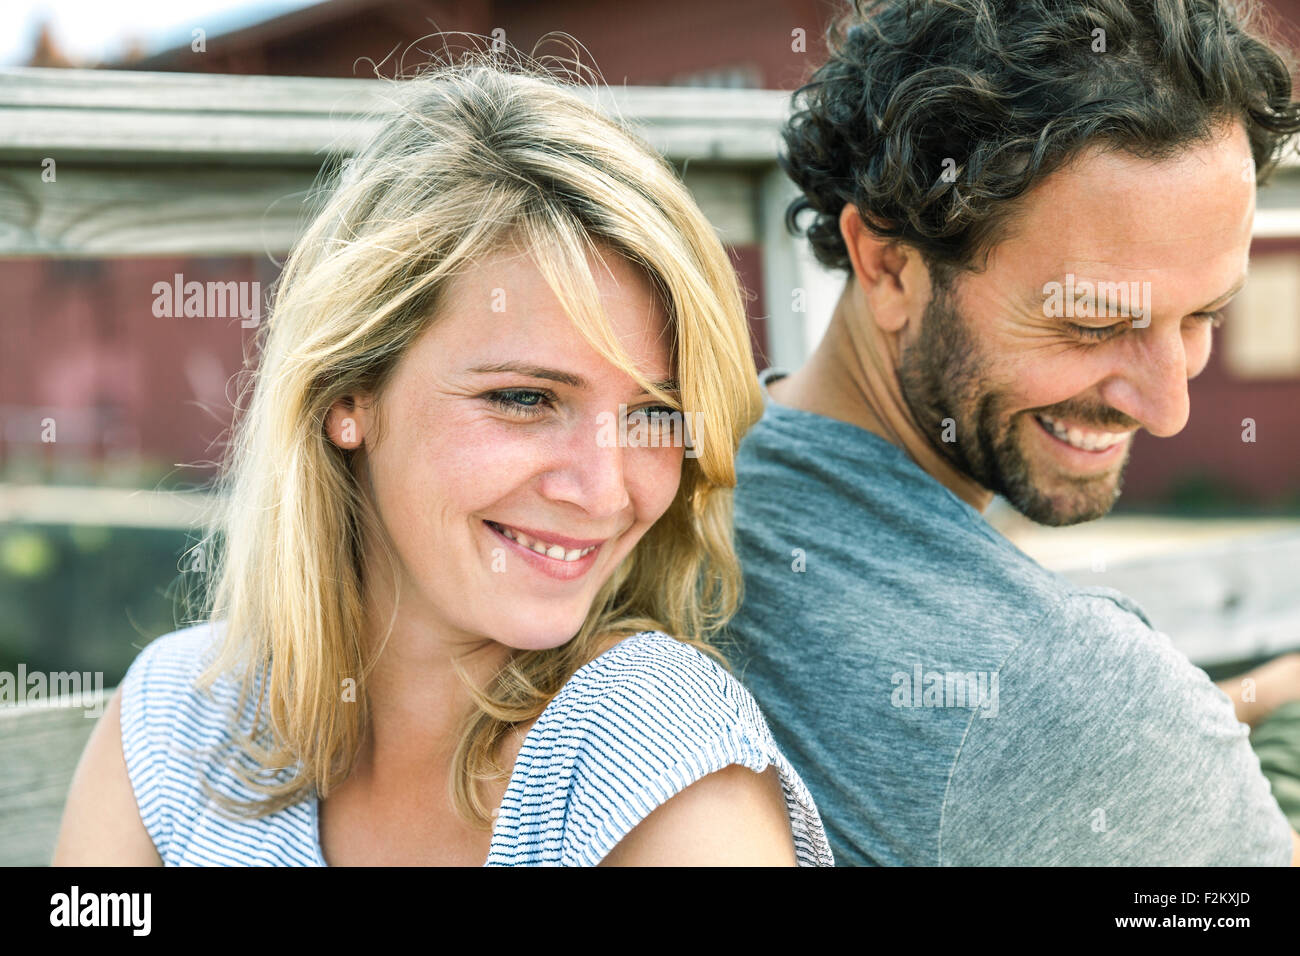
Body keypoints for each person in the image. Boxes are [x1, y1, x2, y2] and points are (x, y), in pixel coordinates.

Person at [52, 61, 833, 867]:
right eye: (526, 399)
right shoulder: (177, 721)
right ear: (349, 393)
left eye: (654, 416)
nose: (604, 490)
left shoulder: (658, 756)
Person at [724, 0, 1300, 865]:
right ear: (888, 265)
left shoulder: (694, 488)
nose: (1166, 406)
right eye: (1094, 322)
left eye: (1202, 316)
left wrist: (1244, 699)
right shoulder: (1075, 691)